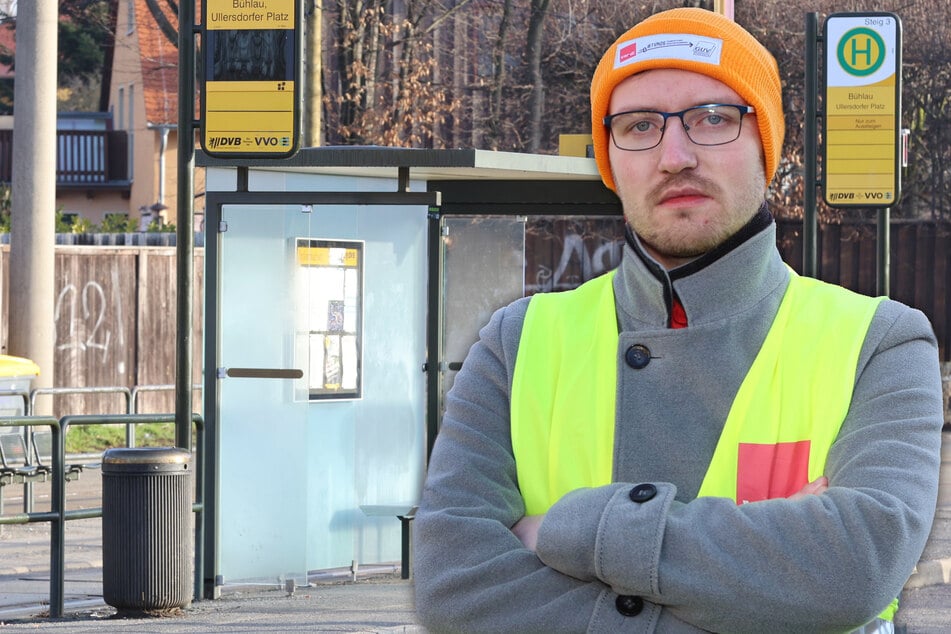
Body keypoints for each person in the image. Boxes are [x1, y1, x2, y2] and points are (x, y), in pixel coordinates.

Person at [413, 7, 943, 634]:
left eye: (713, 119)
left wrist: (564, 532)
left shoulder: (879, 342)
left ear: (767, 144)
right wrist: (766, 576)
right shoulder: (519, 341)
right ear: (609, 158)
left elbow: (855, 565)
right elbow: (454, 582)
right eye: (638, 126)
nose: (675, 155)